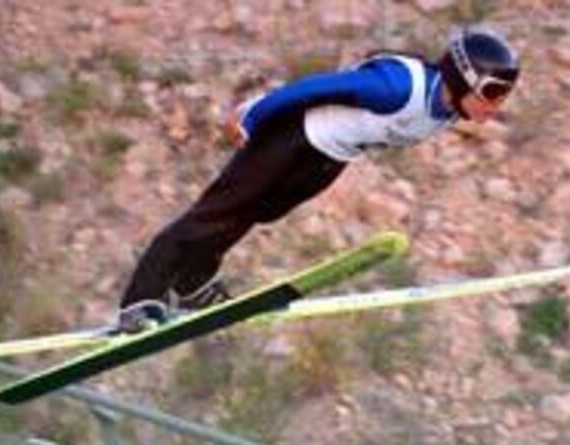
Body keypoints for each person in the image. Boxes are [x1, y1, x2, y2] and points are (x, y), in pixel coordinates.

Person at [114, 25, 521, 332]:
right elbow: (321, 86)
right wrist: (255, 116)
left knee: (254, 214)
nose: (497, 104)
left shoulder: (449, 109)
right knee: (217, 211)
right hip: (290, 138)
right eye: (493, 91)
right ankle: (140, 301)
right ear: (464, 75)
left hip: (330, 156)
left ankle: (191, 282)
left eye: (504, 94)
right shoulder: (398, 87)